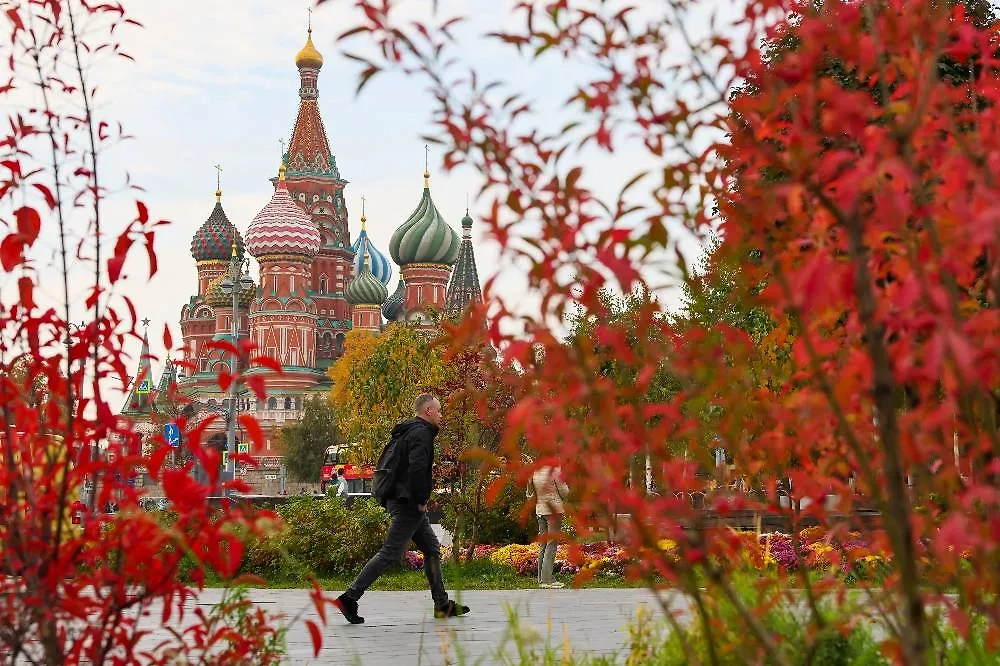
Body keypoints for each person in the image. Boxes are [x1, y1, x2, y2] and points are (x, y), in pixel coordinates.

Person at [333, 393, 470, 624]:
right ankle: (349, 597)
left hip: (401, 498)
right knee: (391, 552)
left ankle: (442, 604)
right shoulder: (421, 433)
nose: (441, 415)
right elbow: (417, 469)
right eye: (438, 411)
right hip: (408, 502)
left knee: (432, 548)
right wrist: (421, 498)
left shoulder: (408, 431)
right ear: (427, 411)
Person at [527, 464, 569, 589]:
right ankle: (547, 580)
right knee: (552, 544)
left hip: (540, 510)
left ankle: (541, 578)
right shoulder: (555, 470)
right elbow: (564, 492)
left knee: (543, 544)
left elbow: (529, 494)